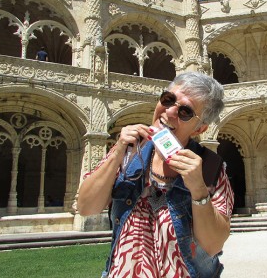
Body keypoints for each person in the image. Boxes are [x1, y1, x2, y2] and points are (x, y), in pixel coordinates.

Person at [77, 72, 234, 278]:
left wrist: (198, 189)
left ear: (199, 128)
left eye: (185, 111)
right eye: (168, 100)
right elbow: (86, 207)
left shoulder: (211, 168)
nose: (169, 112)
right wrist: (119, 150)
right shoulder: (127, 152)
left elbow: (213, 245)